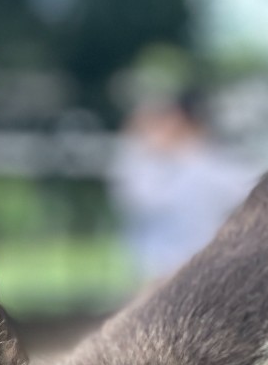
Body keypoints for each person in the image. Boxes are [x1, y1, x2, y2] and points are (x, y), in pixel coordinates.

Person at [109, 89, 259, 281]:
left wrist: (136, 146)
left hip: (166, 276)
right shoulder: (227, 165)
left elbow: (135, 199)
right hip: (208, 271)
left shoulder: (160, 166)